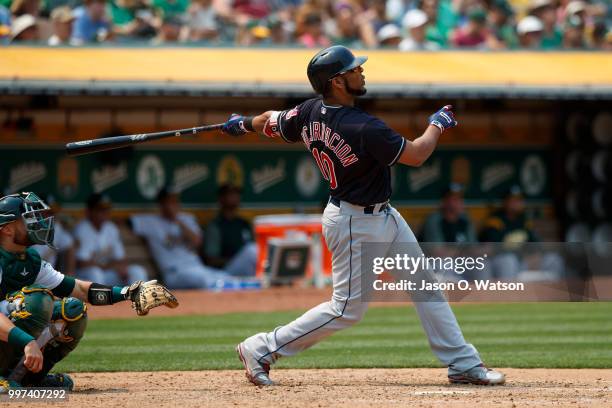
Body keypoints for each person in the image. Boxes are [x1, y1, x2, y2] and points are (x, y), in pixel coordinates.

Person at [222, 45, 505, 387]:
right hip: (356, 221)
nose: (362, 72)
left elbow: (269, 122)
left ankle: (462, 362)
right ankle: (262, 348)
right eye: (355, 69)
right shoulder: (362, 126)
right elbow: (415, 155)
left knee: (425, 286)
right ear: (338, 81)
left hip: (381, 215)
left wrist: (242, 124)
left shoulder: (310, 111)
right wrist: (437, 125)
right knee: (346, 309)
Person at [0, 192, 177, 392]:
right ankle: (3, 376)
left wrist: (129, 293)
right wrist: (28, 342)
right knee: (35, 302)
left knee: (73, 310)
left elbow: (79, 289)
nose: (37, 223)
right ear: (6, 229)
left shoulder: (29, 259)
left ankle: (29, 377)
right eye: (28, 219)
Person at [130, 187, 233, 289]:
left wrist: (178, 221)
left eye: (175, 201)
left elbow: (197, 241)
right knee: (205, 281)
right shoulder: (150, 222)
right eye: (169, 201)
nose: (174, 204)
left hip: (197, 268)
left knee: (226, 278)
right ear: (161, 204)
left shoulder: (186, 219)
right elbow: (122, 223)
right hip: (174, 273)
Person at [74, 193, 148, 286]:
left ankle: (138, 299)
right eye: (100, 209)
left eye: (106, 209)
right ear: (89, 211)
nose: (105, 213)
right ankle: (97, 300)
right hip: (85, 276)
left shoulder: (111, 228)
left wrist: (120, 267)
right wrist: (111, 266)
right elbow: (82, 263)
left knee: (137, 271)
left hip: (107, 274)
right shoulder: (82, 229)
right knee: (95, 273)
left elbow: (121, 259)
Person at [202, 184, 257, 277]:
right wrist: (238, 259)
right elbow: (211, 260)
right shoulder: (215, 226)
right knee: (251, 250)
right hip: (224, 272)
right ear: (221, 198)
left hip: (247, 268)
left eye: (237, 194)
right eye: (230, 194)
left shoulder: (244, 224)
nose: (235, 197)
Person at [30, 194, 75, 275]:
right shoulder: (28, 229)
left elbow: (69, 245)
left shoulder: (56, 226)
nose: (52, 216)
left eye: (54, 212)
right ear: (37, 212)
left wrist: (69, 273)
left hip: (49, 276)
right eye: (49, 212)